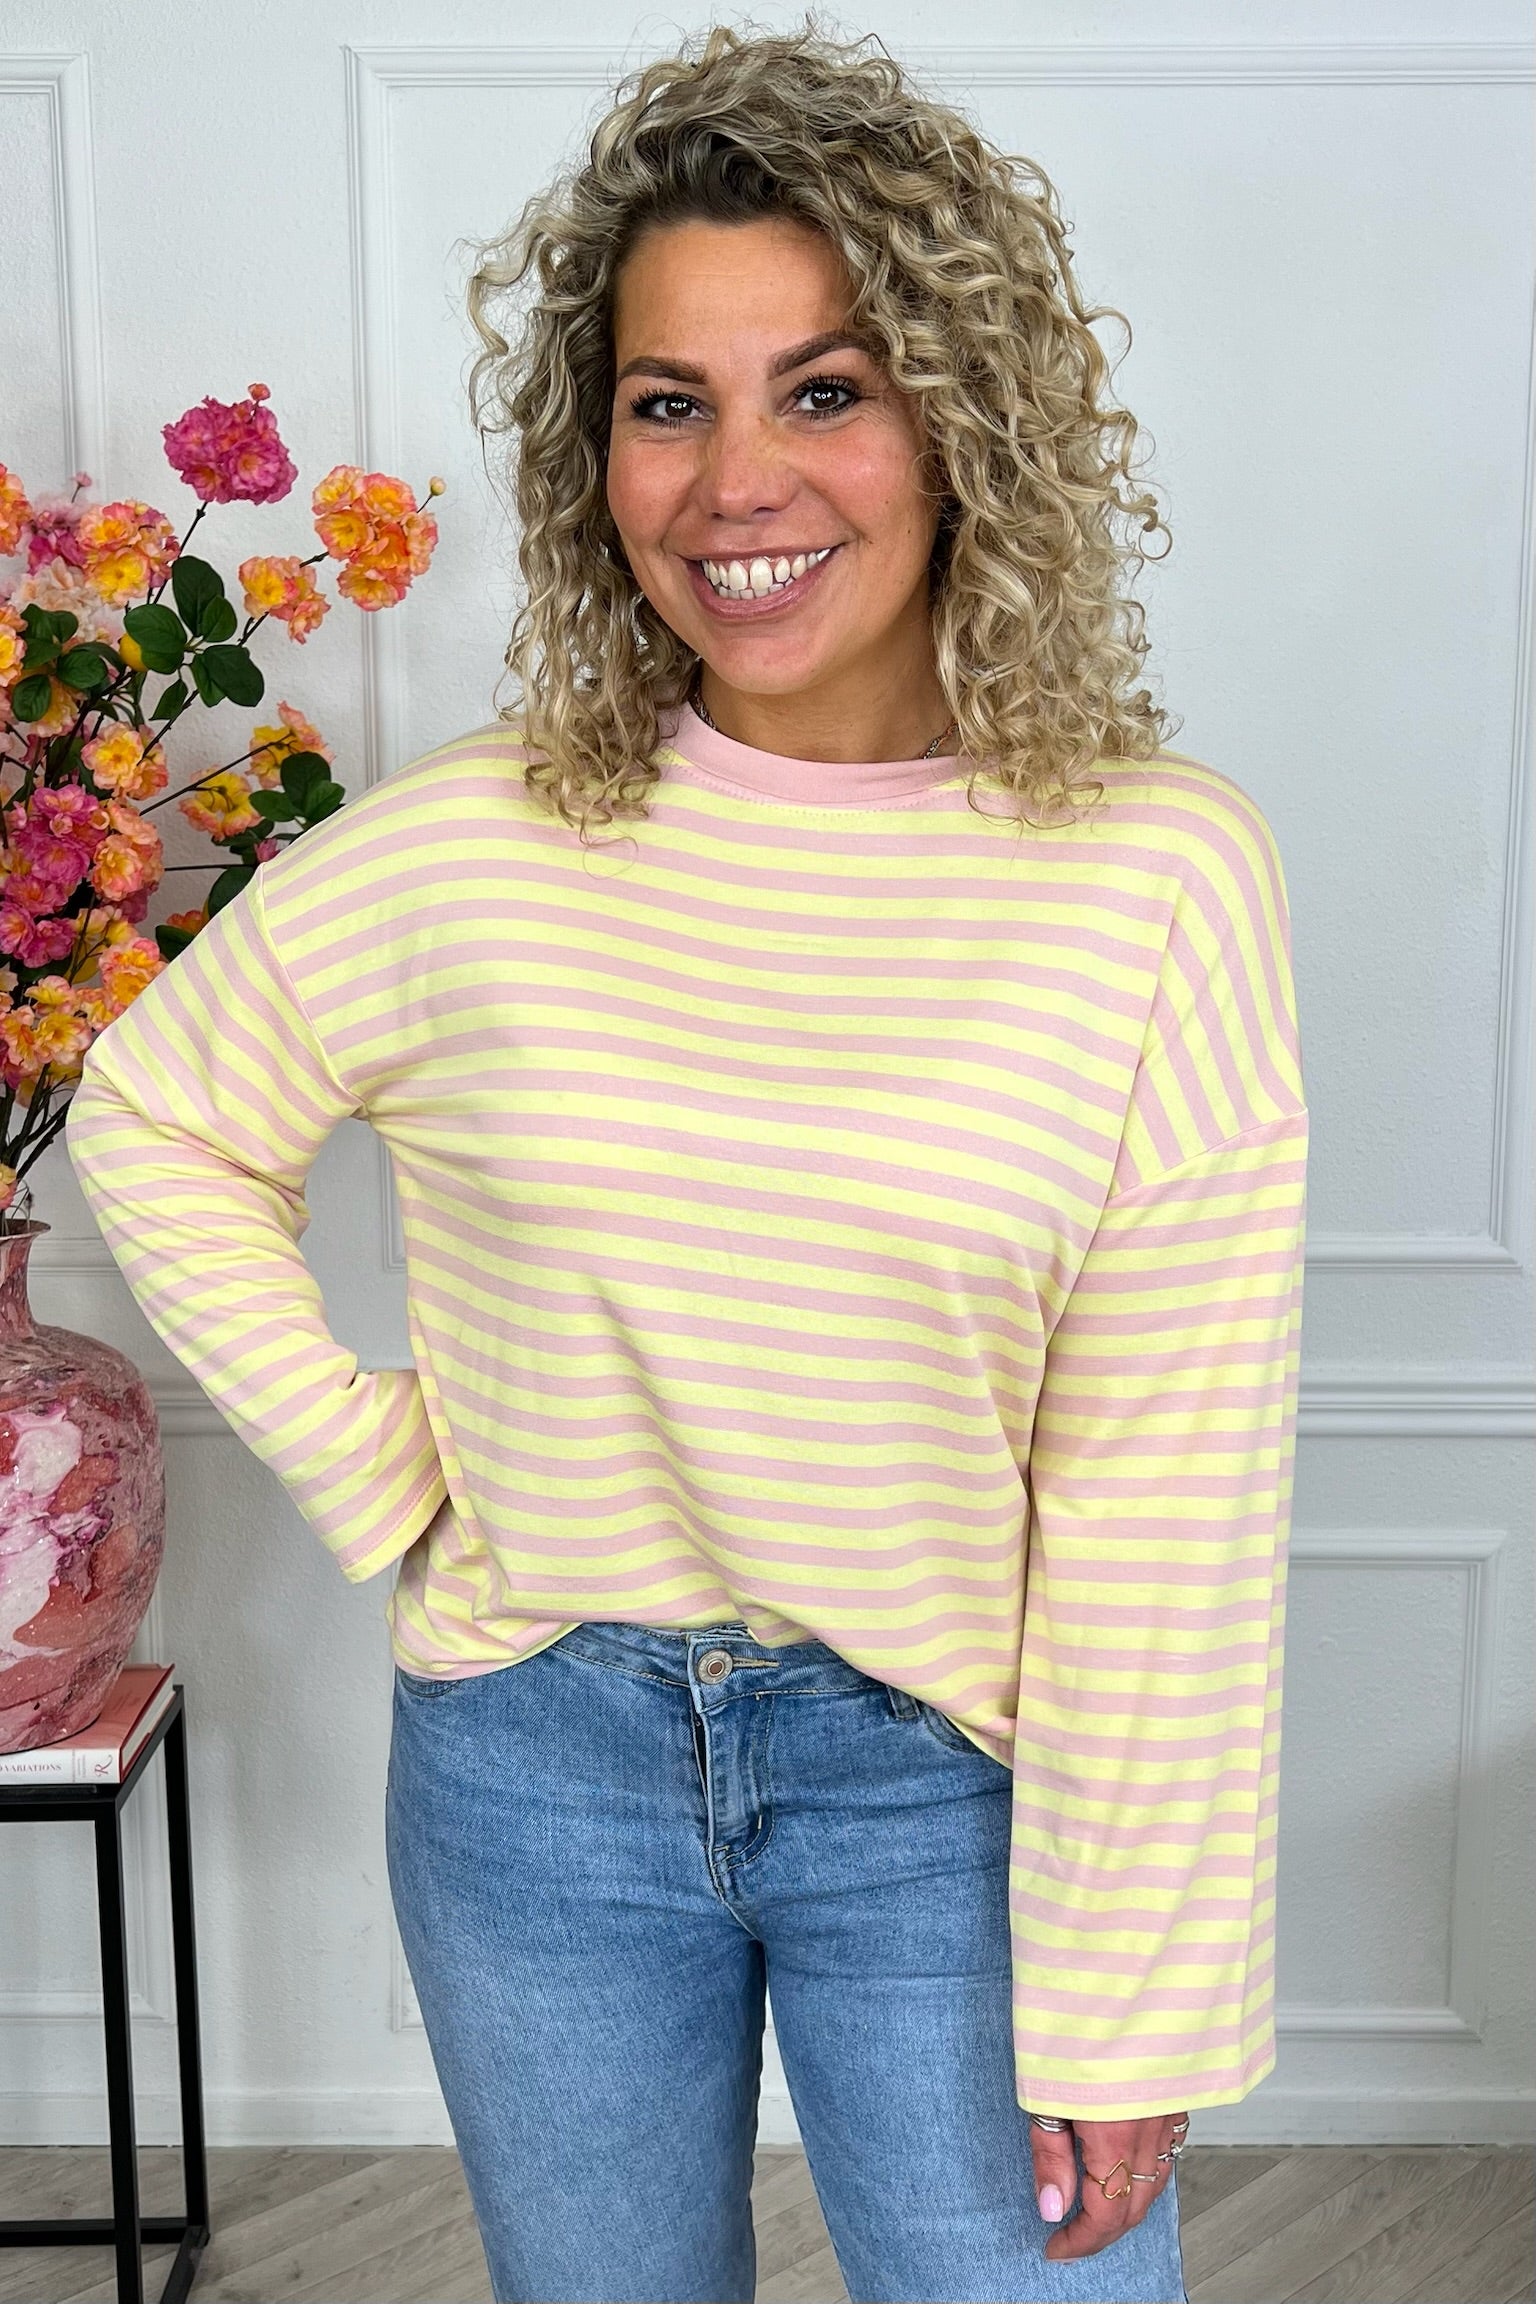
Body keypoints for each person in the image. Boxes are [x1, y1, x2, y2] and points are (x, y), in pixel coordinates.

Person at [65, 22, 1308, 2304]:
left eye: (825, 390)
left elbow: (1171, 1485)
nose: (741, 483)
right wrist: (380, 1467)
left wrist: (1132, 1986)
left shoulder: (1156, 878)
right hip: (536, 1762)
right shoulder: (477, 844)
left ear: (964, 422)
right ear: (596, 455)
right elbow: (153, 1113)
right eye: (669, 404)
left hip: (951, 1794)